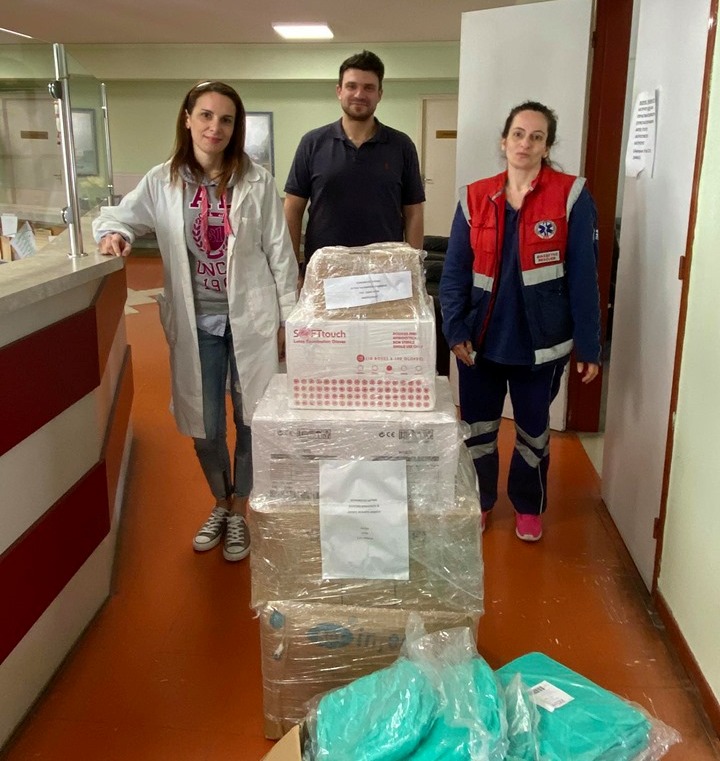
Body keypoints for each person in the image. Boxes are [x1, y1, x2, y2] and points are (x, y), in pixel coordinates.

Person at [94, 81, 298, 561]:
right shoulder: (162, 180)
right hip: (197, 322)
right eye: (206, 115)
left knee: (251, 420)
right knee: (204, 425)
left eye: (226, 119)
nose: (215, 127)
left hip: (252, 320)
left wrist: (289, 320)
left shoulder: (256, 181)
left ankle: (240, 509)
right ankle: (219, 502)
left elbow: (280, 253)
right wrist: (114, 234)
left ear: (235, 127)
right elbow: (119, 217)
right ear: (187, 119)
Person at [439, 101, 600, 542]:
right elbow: (454, 274)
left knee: (533, 432)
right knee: (478, 431)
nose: (525, 143)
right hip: (480, 344)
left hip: (540, 347)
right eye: (518, 134)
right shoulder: (475, 197)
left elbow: (584, 276)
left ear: (547, 146)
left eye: (536, 136)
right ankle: (481, 501)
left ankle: (529, 506)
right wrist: (455, 330)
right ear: (504, 141)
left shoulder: (570, 196)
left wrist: (589, 344)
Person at [284, 49, 425, 270]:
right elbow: (292, 208)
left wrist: (413, 269)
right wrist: (292, 269)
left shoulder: (401, 145)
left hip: (385, 272)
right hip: (325, 272)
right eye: (351, 86)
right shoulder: (312, 143)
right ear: (339, 91)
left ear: (380, 94)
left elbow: (413, 212)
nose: (359, 94)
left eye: (369, 87)